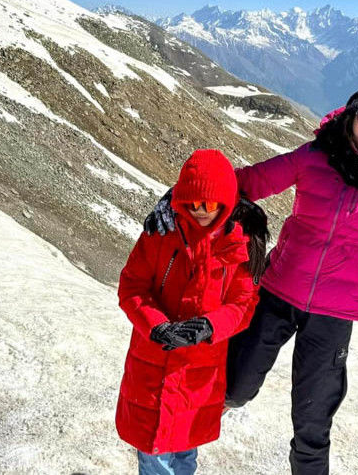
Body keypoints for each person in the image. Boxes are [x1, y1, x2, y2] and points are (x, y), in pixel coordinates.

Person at [146, 86, 358, 475]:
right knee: (233, 388)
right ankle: (175, 455)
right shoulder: (313, 158)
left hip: (334, 313)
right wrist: (177, 196)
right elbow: (246, 183)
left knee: (313, 421)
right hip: (278, 293)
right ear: (349, 117)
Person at [115, 149, 267, 475]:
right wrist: (156, 327)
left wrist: (208, 327)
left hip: (199, 374)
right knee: (153, 452)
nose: (199, 212)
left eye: (209, 205)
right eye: (192, 203)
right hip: (152, 367)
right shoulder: (160, 234)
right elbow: (132, 286)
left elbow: (243, 306)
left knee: (185, 452)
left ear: (225, 201)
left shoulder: (241, 246)